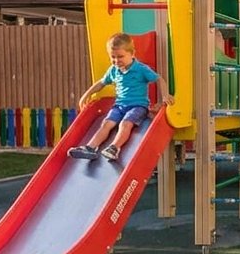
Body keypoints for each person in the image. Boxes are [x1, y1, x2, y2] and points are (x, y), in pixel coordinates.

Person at [68, 32, 174, 162]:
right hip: (119, 106)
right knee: (106, 123)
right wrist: (87, 94)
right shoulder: (113, 70)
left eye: (120, 56)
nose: (116, 60)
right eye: (113, 57)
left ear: (132, 54)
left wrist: (165, 95)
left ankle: (114, 148)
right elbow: (101, 83)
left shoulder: (141, 69)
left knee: (125, 123)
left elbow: (159, 79)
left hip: (138, 106)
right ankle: (90, 148)